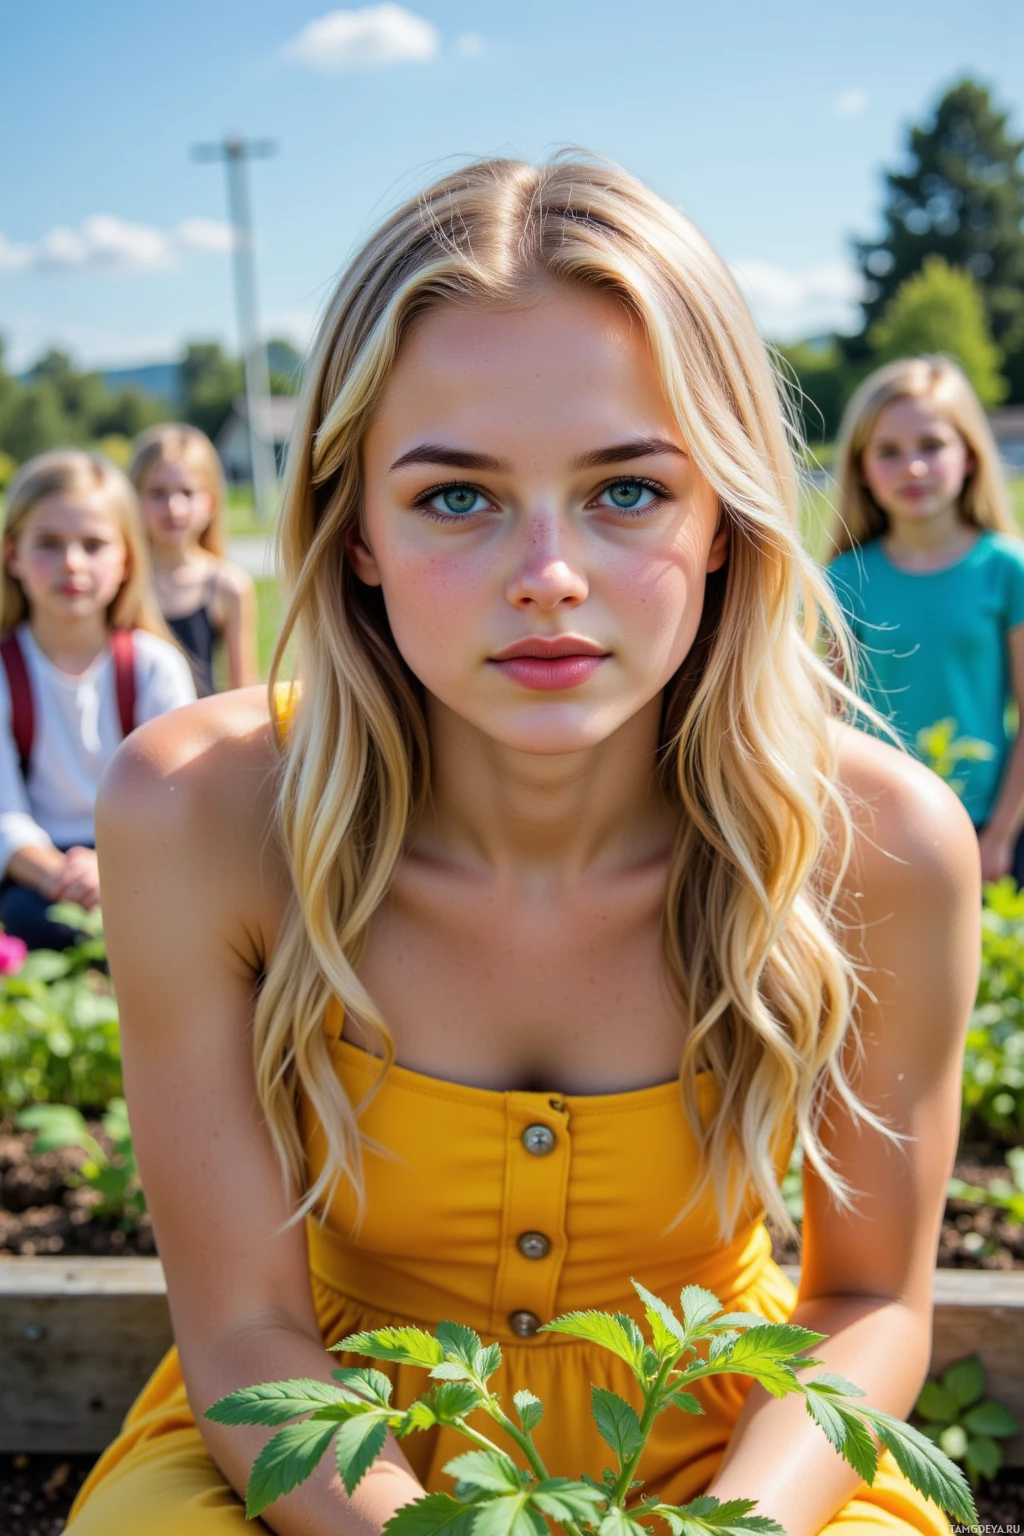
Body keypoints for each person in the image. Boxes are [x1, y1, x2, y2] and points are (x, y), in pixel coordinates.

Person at [66, 157, 979, 1536]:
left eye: (626, 493)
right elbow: (247, 1331)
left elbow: (865, 1306)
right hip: (315, 1453)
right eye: (455, 498)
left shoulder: (880, 841)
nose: (547, 569)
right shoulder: (198, 812)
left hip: (734, 1454)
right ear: (354, 527)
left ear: (726, 516)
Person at [826, 356, 1024, 884]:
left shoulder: (1008, 570)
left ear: (971, 457)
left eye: (932, 446)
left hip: (984, 825)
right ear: (863, 469)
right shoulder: (842, 579)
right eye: (888, 452)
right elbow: (823, 719)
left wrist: (1000, 837)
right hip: (874, 827)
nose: (912, 467)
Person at [0, 451, 195, 951]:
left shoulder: (153, 666)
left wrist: (109, 869)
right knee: (28, 919)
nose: (71, 563)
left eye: (93, 544)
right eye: (48, 543)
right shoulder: (5, 671)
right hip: (39, 867)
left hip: (140, 855)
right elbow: (6, 819)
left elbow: (178, 802)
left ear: (126, 558)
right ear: (12, 555)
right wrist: (66, 876)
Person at [129, 423, 259, 695]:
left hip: (198, 733)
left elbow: (243, 690)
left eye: (187, 492)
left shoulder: (227, 585)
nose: (173, 507)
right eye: (157, 493)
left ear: (210, 503)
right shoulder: (122, 579)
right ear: (132, 499)